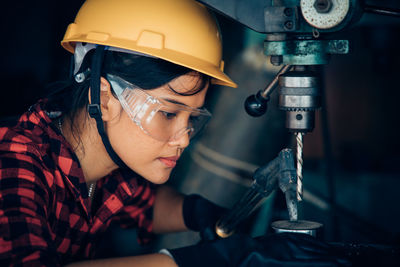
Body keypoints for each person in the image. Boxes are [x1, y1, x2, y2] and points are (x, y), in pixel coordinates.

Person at [0, 0, 352, 266]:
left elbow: (143, 206)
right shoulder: (14, 165)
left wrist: (199, 213)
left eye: (192, 117)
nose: (183, 137)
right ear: (103, 98)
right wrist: (208, 260)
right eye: (168, 112)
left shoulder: (103, 163)